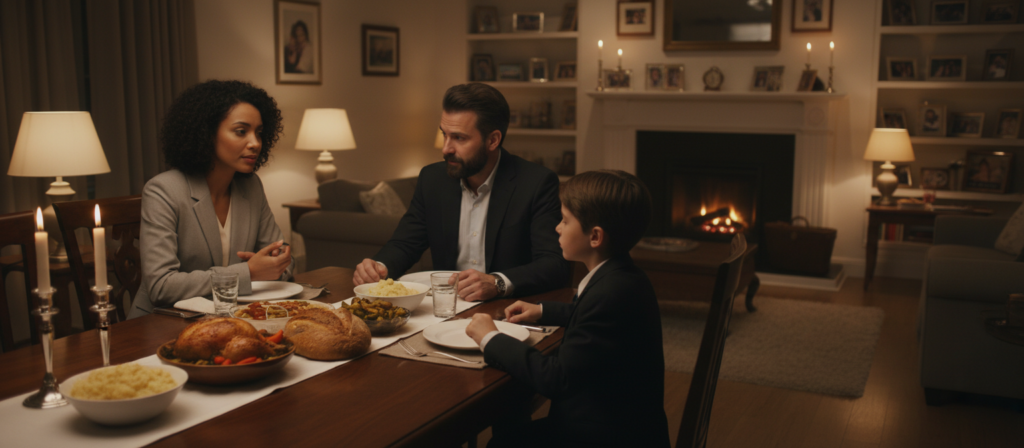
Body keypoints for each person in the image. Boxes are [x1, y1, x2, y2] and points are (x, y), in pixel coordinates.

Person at [466, 170, 670, 448]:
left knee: (501, 444)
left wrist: (490, 337)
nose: (557, 228)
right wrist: (542, 311)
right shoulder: (622, 277)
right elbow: (594, 318)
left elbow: (555, 378)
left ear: (595, 237)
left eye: (565, 220)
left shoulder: (610, 294)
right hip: (621, 425)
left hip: (602, 437)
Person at [353, 83, 569, 302]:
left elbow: (554, 264)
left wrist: (497, 283)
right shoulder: (432, 179)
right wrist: (379, 267)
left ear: (493, 140)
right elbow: (405, 243)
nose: (446, 149)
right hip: (444, 308)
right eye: (444, 135)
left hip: (507, 309)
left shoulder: (536, 183)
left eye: (459, 138)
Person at [129, 80, 294, 318]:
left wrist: (278, 262)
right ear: (206, 133)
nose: (255, 143)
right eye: (241, 131)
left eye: (259, 133)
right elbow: (161, 287)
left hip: (230, 321)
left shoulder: (251, 186)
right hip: (160, 325)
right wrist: (249, 272)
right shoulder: (163, 191)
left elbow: (281, 256)